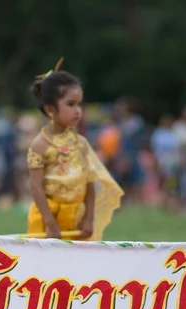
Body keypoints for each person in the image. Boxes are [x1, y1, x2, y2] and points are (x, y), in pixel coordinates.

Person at [26, 59, 123, 240]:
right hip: (49, 219)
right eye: (71, 104)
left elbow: (89, 182)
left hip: (76, 218)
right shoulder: (40, 144)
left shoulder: (81, 144)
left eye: (80, 104)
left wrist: (88, 219)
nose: (78, 110)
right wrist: (49, 223)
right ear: (50, 109)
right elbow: (35, 187)